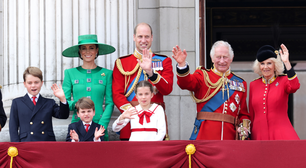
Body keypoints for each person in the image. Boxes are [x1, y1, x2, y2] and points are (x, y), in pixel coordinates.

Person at [172, 41, 251, 140]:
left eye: (225, 57)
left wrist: (244, 128)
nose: (222, 61)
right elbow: (186, 83)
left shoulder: (240, 83)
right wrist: (182, 65)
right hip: (205, 136)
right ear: (212, 58)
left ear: (231, 58)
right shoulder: (202, 76)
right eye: (218, 57)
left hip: (229, 138)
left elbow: (243, 114)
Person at [112, 23, 173, 140]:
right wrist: (134, 113)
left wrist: (151, 73)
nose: (143, 40)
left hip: (155, 121)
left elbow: (167, 89)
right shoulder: (122, 63)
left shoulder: (164, 61)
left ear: (152, 38)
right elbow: (117, 94)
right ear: (134, 37)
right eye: (140, 36)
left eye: (147, 36)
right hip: (131, 122)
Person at [62, 34, 115, 141]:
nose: (87, 52)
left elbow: (110, 103)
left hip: (99, 127)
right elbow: (65, 101)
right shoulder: (70, 73)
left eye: (91, 48)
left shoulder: (107, 74)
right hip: (77, 125)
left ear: (97, 51)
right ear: (79, 52)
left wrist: (102, 125)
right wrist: (77, 104)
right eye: (84, 49)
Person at [249, 44, 300, 140]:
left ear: (275, 65)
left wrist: (286, 62)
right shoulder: (253, 85)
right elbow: (252, 114)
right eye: (262, 63)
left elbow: (295, 86)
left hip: (281, 132)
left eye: (269, 63)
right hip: (258, 134)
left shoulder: (283, 80)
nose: (265, 67)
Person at [9, 67, 70, 142]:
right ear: (24, 84)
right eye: (29, 83)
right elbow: (13, 127)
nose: (33, 85)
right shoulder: (17, 102)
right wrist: (16, 146)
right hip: (26, 143)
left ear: (42, 83)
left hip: (46, 143)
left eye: (36, 82)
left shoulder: (49, 102)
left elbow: (63, 116)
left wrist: (62, 99)